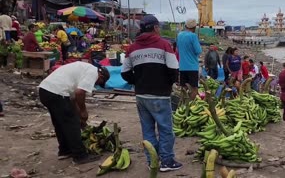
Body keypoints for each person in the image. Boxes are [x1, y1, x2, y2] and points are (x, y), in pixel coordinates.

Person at [121, 15, 183, 172]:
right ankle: (167, 161)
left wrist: (138, 81)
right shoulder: (164, 45)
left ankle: (152, 161)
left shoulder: (132, 48)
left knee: (147, 130)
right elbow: (173, 70)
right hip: (160, 95)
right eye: (158, 27)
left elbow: (125, 73)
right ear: (155, 28)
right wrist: (166, 84)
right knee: (165, 129)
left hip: (141, 95)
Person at [38, 62, 110, 164]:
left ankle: (65, 151)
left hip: (45, 91)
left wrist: (78, 113)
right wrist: (83, 111)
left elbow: (72, 100)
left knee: (60, 123)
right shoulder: (93, 72)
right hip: (57, 93)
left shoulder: (82, 69)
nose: (95, 84)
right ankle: (80, 156)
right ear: (101, 76)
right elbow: (79, 93)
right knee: (72, 124)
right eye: (98, 82)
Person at [177, 19, 202, 100]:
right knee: (194, 89)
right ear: (194, 27)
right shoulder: (193, 36)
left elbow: (177, 49)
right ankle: (190, 106)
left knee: (183, 89)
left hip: (182, 66)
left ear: (186, 26)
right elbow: (198, 51)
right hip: (192, 67)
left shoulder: (179, 35)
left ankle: (182, 105)